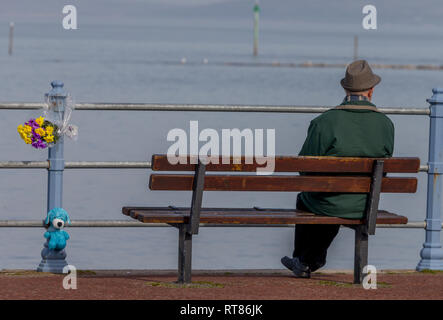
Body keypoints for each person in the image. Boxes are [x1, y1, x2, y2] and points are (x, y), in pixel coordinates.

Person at [281, 60, 394, 278]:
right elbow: (384, 171)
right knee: (333, 198)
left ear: (344, 89)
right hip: (365, 204)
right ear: (371, 91)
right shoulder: (386, 124)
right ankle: (308, 260)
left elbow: (304, 169)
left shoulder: (324, 122)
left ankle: (304, 260)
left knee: (311, 198)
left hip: (330, 203)